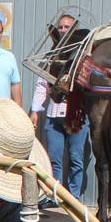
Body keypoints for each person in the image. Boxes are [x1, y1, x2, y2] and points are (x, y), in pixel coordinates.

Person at [30, 14, 89, 203]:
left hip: (76, 116)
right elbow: (42, 85)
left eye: (67, 27)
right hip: (54, 115)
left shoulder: (83, 58)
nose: (63, 30)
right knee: (54, 158)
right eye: (61, 27)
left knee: (75, 158)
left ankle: (73, 198)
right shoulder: (51, 56)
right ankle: (53, 195)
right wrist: (35, 110)